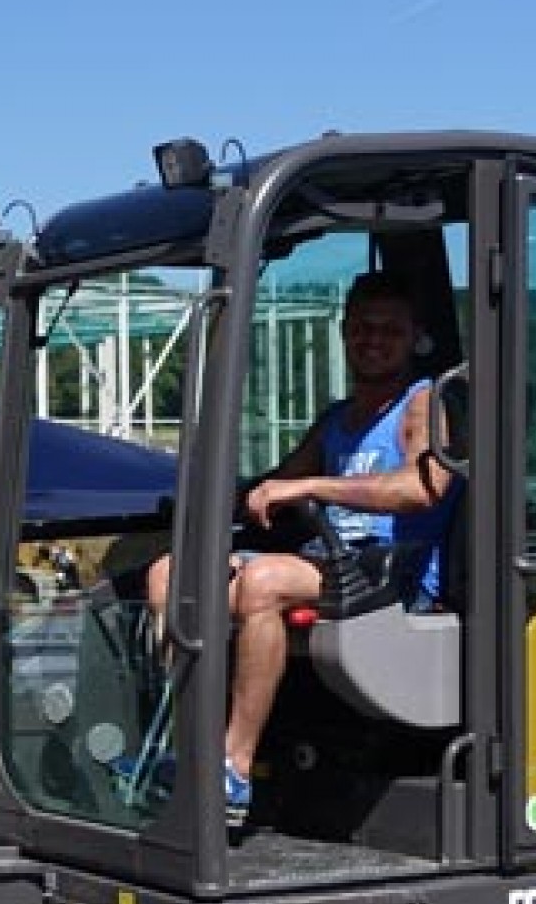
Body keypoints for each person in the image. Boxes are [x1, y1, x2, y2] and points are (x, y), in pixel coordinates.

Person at [145, 270, 455, 830]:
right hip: (330, 562)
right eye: (361, 328)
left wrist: (311, 488)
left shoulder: (421, 405)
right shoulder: (339, 419)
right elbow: (273, 491)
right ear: (344, 333)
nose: (373, 339)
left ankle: (234, 769)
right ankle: (186, 743)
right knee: (171, 573)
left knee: (262, 584)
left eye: (389, 329)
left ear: (415, 338)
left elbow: (422, 488)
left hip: (392, 578)